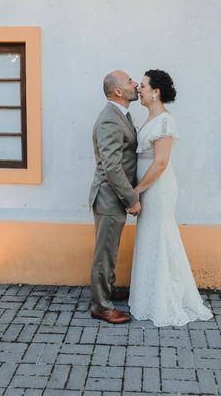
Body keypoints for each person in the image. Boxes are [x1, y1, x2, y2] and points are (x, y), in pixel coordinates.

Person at [128, 69, 213, 327]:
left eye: (142, 86)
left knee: (160, 236)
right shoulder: (150, 119)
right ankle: (149, 295)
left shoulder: (165, 121)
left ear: (156, 92)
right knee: (149, 236)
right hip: (149, 186)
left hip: (158, 188)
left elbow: (161, 162)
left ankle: (166, 298)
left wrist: (137, 190)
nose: (138, 89)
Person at [88, 70, 141, 324]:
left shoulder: (120, 115)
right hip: (109, 198)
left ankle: (107, 290)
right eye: (130, 82)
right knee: (104, 253)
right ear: (118, 91)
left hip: (112, 197)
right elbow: (111, 166)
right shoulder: (110, 119)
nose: (136, 85)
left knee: (110, 249)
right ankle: (101, 306)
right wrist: (132, 198)